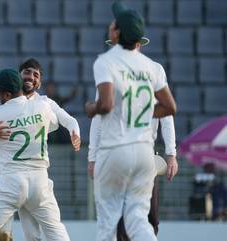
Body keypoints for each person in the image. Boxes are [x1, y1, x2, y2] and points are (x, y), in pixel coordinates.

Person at [85, 2, 176, 241]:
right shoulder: (152, 68)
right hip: (145, 153)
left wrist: (90, 108)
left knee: (109, 221)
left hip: (116, 150)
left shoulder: (106, 62)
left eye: (114, 23)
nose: (110, 25)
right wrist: (143, 113)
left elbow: (104, 106)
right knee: (139, 220)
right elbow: (170, 107)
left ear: (116, 33)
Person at [0, 58, 80, 241]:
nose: (30, 77)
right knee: (54, 233)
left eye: (35, 74)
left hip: (11, 180)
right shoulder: (43, 107)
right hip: (37, 181)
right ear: (18, 77)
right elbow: (53, 123)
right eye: (27, 73)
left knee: (22, 235)